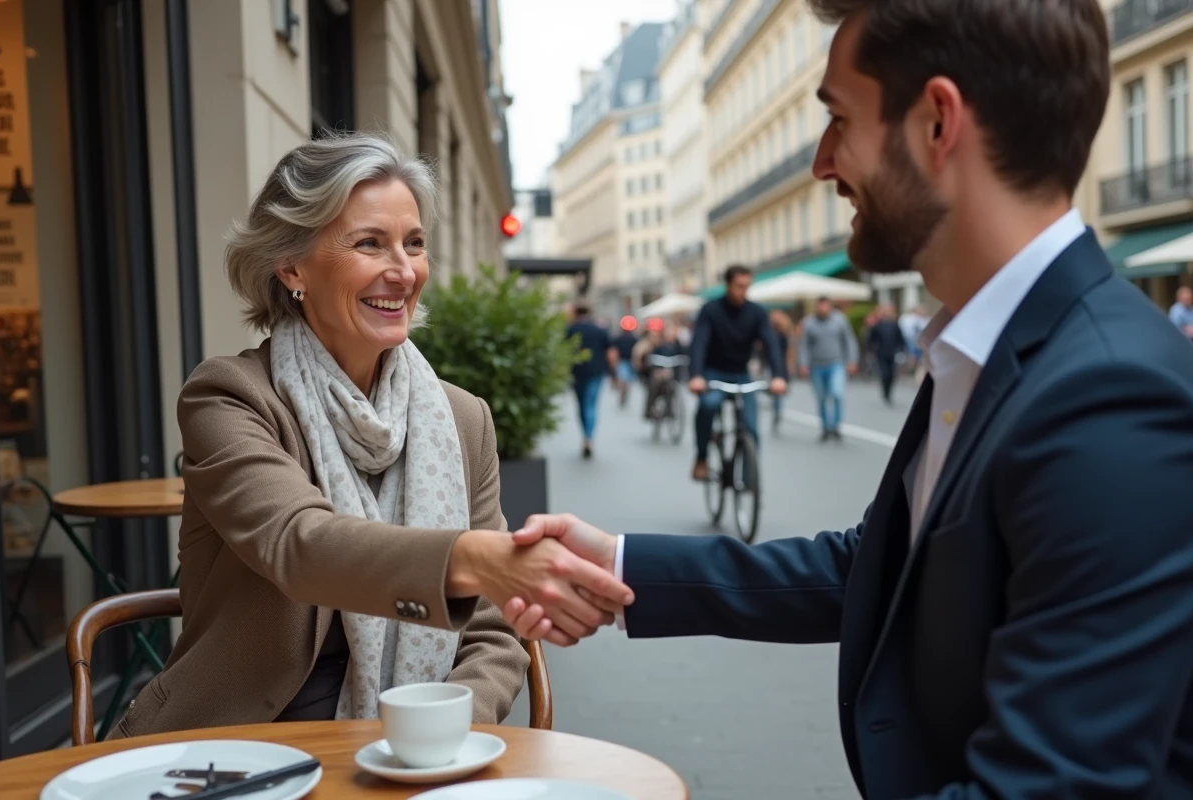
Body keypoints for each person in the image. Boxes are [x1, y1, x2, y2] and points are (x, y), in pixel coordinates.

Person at [502, 2, 1193, 797]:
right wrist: (617, 566)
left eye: (839, 119)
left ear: (938, 122)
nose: (822, 162)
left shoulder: (1109, 400)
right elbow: (877, 568)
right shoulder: (991, 347)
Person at [108, 134, 633, 739]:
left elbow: (493, 633)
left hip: (412, 749)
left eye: (414, 243)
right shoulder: (229, 395)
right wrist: (474, 559)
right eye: (369, 244)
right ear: (291, 266)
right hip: (240, 744)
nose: (404, 271)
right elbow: (300, 545)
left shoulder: (465, 420)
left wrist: (442, 728)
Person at [687, 265, 788, 480]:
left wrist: (779, 375)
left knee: (751, 426)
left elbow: (771, 344)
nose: (743, 291)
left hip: (742, 375)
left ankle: (749, 481)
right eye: (738, 286)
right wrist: (696, 375)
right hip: (714, 373)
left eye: (747, 287)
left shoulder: (757, 313)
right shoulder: (711, 310)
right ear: (728, 285)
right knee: (708, 405)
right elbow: (699, 344)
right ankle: (702, 457)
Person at [798, 297, 859, 441]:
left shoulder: (840, 320)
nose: (823, 309)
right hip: (817, 365)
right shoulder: (809, 323)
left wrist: (852, 360)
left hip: (836, 363)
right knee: (821, 397)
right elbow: (803, 345)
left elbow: (849, 341)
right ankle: (825, 427)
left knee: (837, 394)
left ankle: (836, 426)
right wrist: (803, 364)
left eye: (825, 306)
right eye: (820, 307)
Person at [567, 300, 618, 459]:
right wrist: (614, 374)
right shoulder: (599, 330)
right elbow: (610, 354)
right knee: (591, 404)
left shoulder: (570, 330)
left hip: (577, 373)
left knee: (582, 405)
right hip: (596, 373)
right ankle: (588, 437)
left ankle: (586, 435)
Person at [866, 304, 906, 405]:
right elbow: (871, 339)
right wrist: (872, 349)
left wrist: (901, 349)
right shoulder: (877, 325)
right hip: (881, 354)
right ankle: (884, 392)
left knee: (891, 375)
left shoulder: (895, 325)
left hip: (892, 353)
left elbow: (900, 339)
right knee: (885, 374)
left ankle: (888, 393)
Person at [610, 319, 639, 404]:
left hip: (623, 361)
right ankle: (624, 393)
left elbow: (614, 351)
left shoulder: (618, 338)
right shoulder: (634, 338)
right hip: (628, 361)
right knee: (626, 380)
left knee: (624, 380)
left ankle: (623, 393)